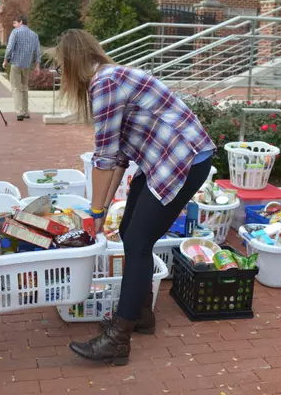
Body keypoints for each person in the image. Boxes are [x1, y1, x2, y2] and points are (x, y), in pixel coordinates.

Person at [54, 29, 216, 366]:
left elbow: (104, 158)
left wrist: (97, 211)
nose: (60, 76)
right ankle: (140, 314)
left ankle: (118, 339)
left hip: (183, 158)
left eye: (60, 69)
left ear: (71, 64)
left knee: (139, 241)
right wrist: (102, 210)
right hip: (165, 158)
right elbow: (116, 160)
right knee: (130, 232)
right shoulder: (112, 78)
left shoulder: (105, 83)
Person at [2, 16, 41, 121]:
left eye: (16, 22)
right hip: (26, 65)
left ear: (20, 22)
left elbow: (9, 48)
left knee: (16, 88)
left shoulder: (15, 32)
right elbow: (38, 52)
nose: (15, 25)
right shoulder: (34, 35)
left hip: (16, 63)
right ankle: (25, 111)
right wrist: (37, 65)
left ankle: (19, 112)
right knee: (24, 88)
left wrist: (5, 60)